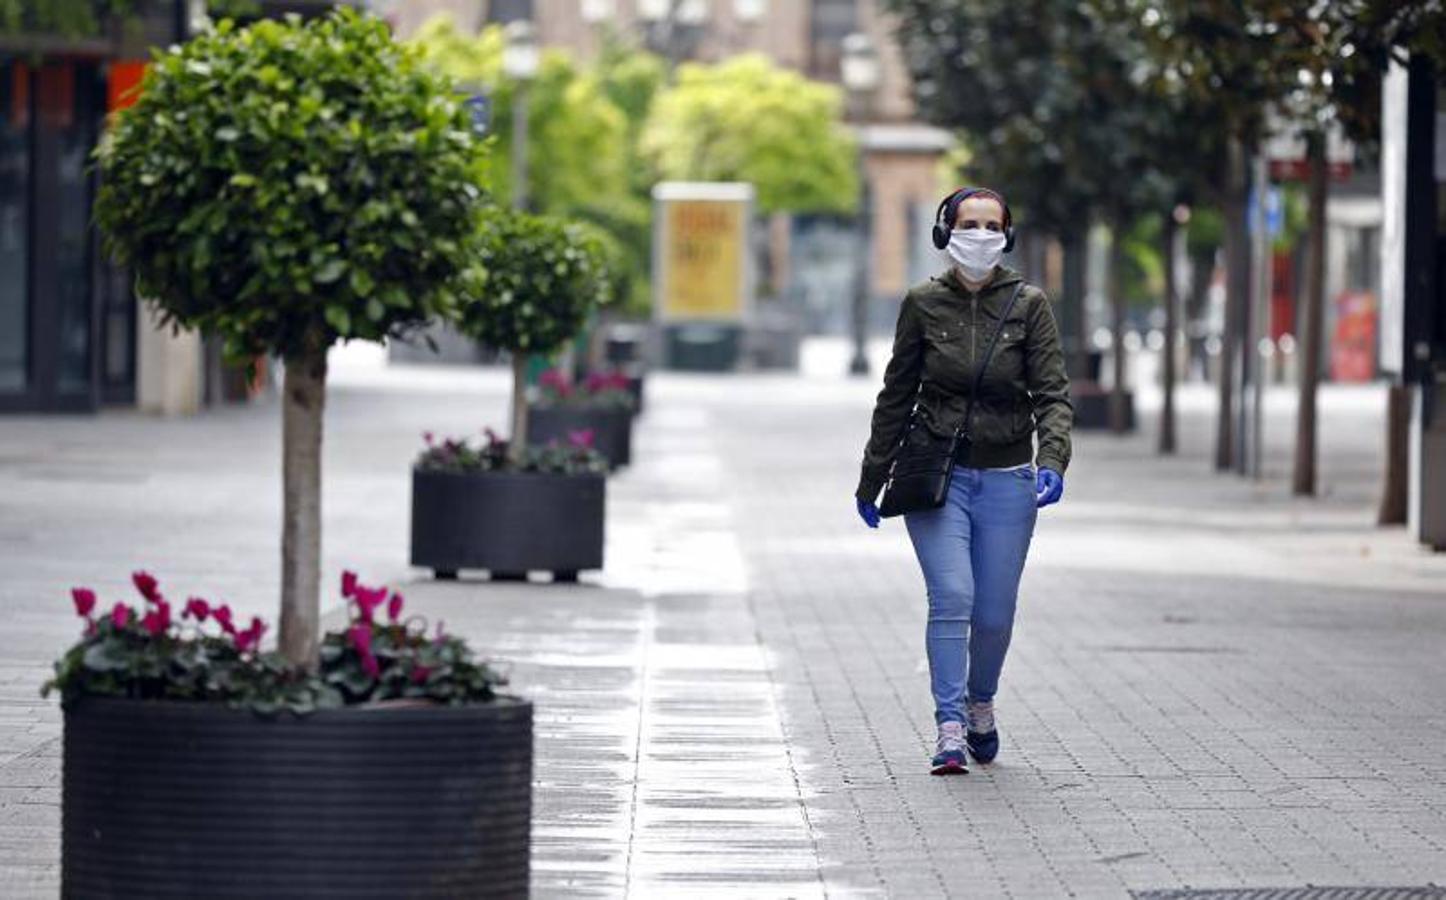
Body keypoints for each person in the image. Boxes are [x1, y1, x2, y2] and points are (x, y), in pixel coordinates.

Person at [854, 187, 1073, 775]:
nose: (979, 234)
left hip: (1007, 479)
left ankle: (981, 702)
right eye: (967, 224)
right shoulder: (922, 304)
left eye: (990, 225)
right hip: (937, 475)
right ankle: (949, 727)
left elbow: (1052, 395)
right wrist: (872, 478)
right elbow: (895, 395)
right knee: (953, 597)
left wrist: (1052, 459)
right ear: (945, 231)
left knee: (994, 614)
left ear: (1006, 235)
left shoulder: (1029, 305)